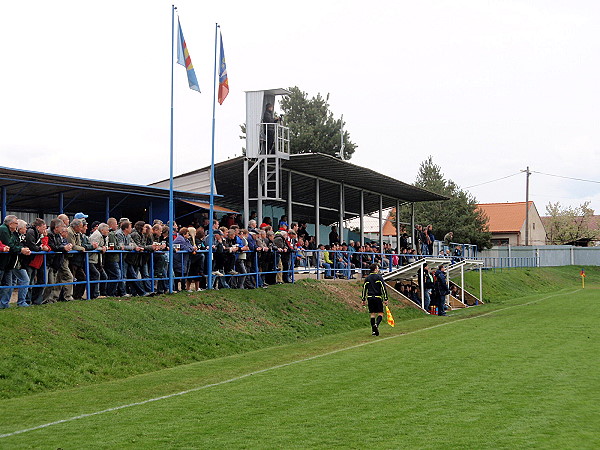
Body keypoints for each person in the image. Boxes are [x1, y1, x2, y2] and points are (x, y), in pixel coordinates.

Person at [361, 263, 389, 336]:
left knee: (372, 314)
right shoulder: (379, 277)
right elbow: (383, 288)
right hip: (377, 297)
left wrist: (363, 299)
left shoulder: (367, 278)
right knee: (380, 313)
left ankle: (373, 331)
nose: (378, 269)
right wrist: (386, 298)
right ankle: (376, 325)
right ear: (375, 269)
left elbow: (364, 289)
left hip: (370, 298)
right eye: (378, 268)